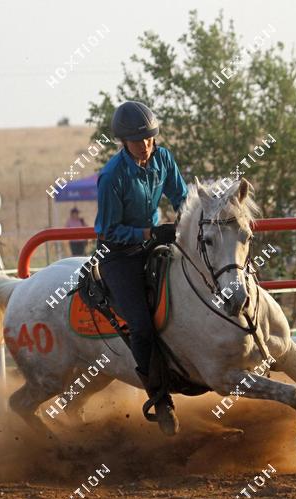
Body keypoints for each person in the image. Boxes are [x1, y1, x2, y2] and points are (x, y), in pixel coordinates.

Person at [94, 100, 188, 435]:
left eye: (149, 138)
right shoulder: (112, 176)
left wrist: (188, 218)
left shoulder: (163, 158)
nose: (146, 145)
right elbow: (108, 230)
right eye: (138, 140)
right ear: (123, 141)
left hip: (153, 243)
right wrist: (149, 233)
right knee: (142, 325)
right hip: (119, 255)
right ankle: (160, 399)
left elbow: (181, 196)